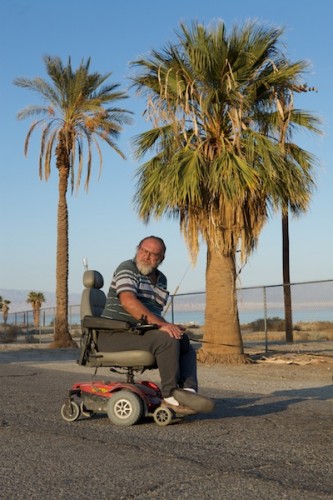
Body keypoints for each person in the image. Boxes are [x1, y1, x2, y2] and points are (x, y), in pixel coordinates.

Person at [100, 235, 198, 414]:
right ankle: (169, 397)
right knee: (166, 339)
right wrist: (163, 326)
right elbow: (128, 301)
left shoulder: (161, 280)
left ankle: (188, 393)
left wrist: (170, 326)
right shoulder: (127, 268)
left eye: (153, 254)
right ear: (138, 249)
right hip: (113, 334)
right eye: (144, 251)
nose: (146, 256)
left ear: (161, 259)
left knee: (182, 340)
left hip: (137, 334)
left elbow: (153, 315)